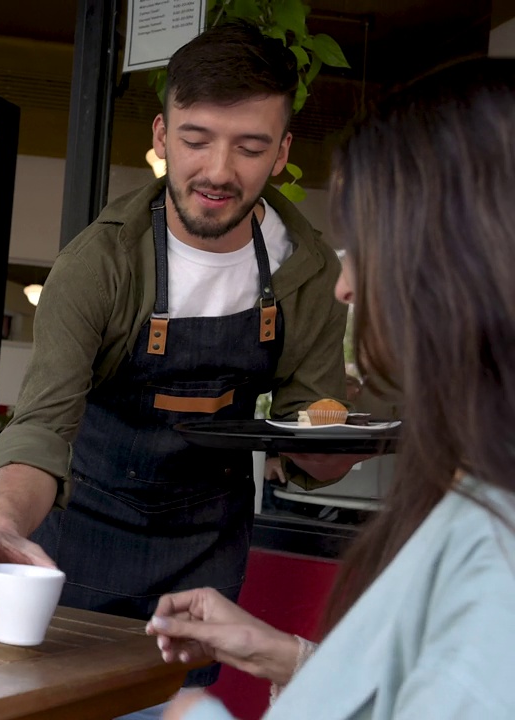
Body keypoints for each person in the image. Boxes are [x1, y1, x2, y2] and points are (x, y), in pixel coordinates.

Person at [0, 21, 358, 694]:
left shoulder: (307, 269)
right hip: (80, 533)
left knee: (171, 707)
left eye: (250, 147)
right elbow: (41, 427)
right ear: (163, 138)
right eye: (196, 141)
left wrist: (341, 445)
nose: (219, 173)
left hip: (204, 552)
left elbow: (312, 425)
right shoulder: (100, 263)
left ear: (283, 151)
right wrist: (2, 528)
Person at [147, 56, 515, 720]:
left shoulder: (498, 549)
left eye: (369, 248)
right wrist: (282, 654)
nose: (347, 286)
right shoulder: (479, 491)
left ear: (457, 263)